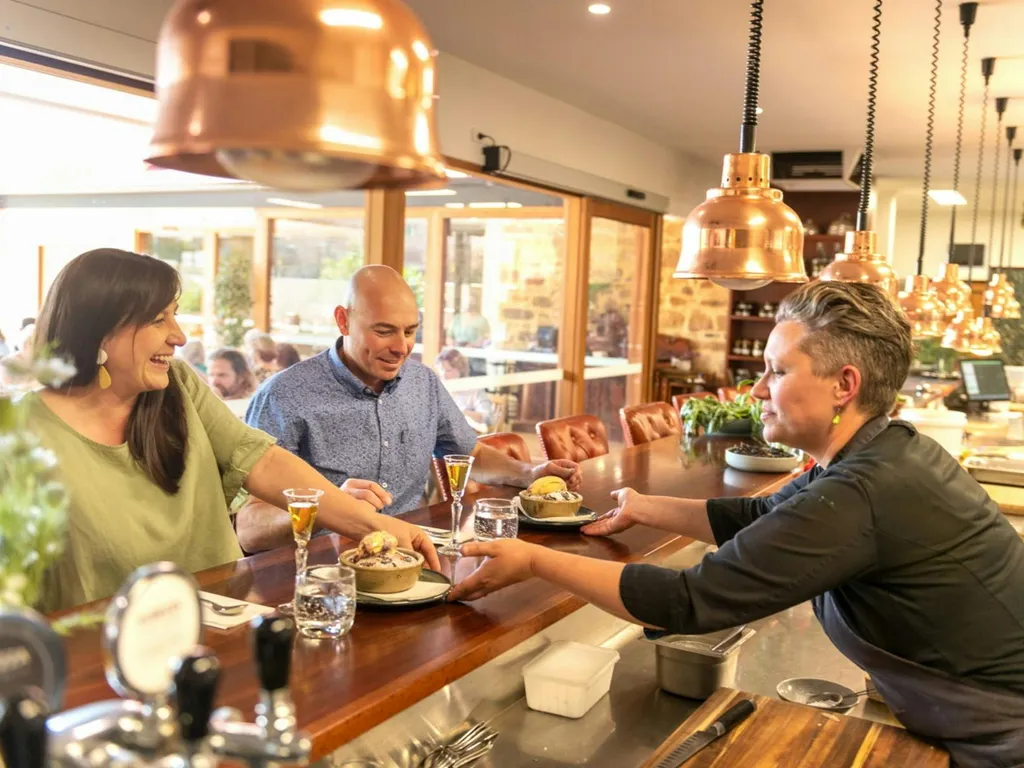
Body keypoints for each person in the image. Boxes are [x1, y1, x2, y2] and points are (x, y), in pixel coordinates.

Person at [449, 281, 1024, 766]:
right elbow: (758, 514)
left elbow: (687, 601)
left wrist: (534, 560)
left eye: (777, 371)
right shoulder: (882, 452)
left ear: (844, 386)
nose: (756, 390)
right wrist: (645, 507)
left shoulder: (861, 489)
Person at [24, 249, 438, 611]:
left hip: (221, 618)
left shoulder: (179, 386)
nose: (179, 336)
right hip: (98, 662)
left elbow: (265, 461)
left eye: (175, 314)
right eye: (157, 319)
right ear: (100, 330)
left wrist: (378, 526)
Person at [238, 266, 581, 553]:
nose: (400, 348)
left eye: (410, 331)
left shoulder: (423, 383)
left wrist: (528, 474)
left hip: (413, 553)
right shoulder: (284, 396)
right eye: (384, 332)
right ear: (343, 321)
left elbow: (469, 452)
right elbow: (249, 530)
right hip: (325, 569)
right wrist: (327, 508)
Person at [434, 347, 495, 433]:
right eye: (441, 370)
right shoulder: (436, 389)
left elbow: (488, 418)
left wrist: (460, 413)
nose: (443, 375)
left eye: (448, 370)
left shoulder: (474, 389)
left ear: (460, 370)